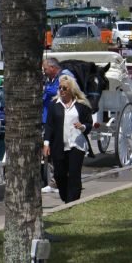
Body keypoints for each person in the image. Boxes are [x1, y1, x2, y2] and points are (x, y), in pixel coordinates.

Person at [43, 75, 93, 203]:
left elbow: (89, 123)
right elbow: (49, 126)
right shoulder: (54, 105)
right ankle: (67, 199)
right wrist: (46, 143)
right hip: (59, 145)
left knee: (74, 174)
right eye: (60, 88)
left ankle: (73, 201)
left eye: (64, 88)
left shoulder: (81, 105)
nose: (61, 90)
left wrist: (82, 127)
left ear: (71, 89)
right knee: (59, 175)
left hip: (77, 145)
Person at [41, 57, 75, 193]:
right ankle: (54, 181)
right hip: (48, 118)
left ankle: (60, 182)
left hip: (60, 119)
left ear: (52, 68)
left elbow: (64, 92)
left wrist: (45, 89)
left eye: (45, 69)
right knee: (50, 152)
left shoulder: (65, 76)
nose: (44, 71)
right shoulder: (51, 79)